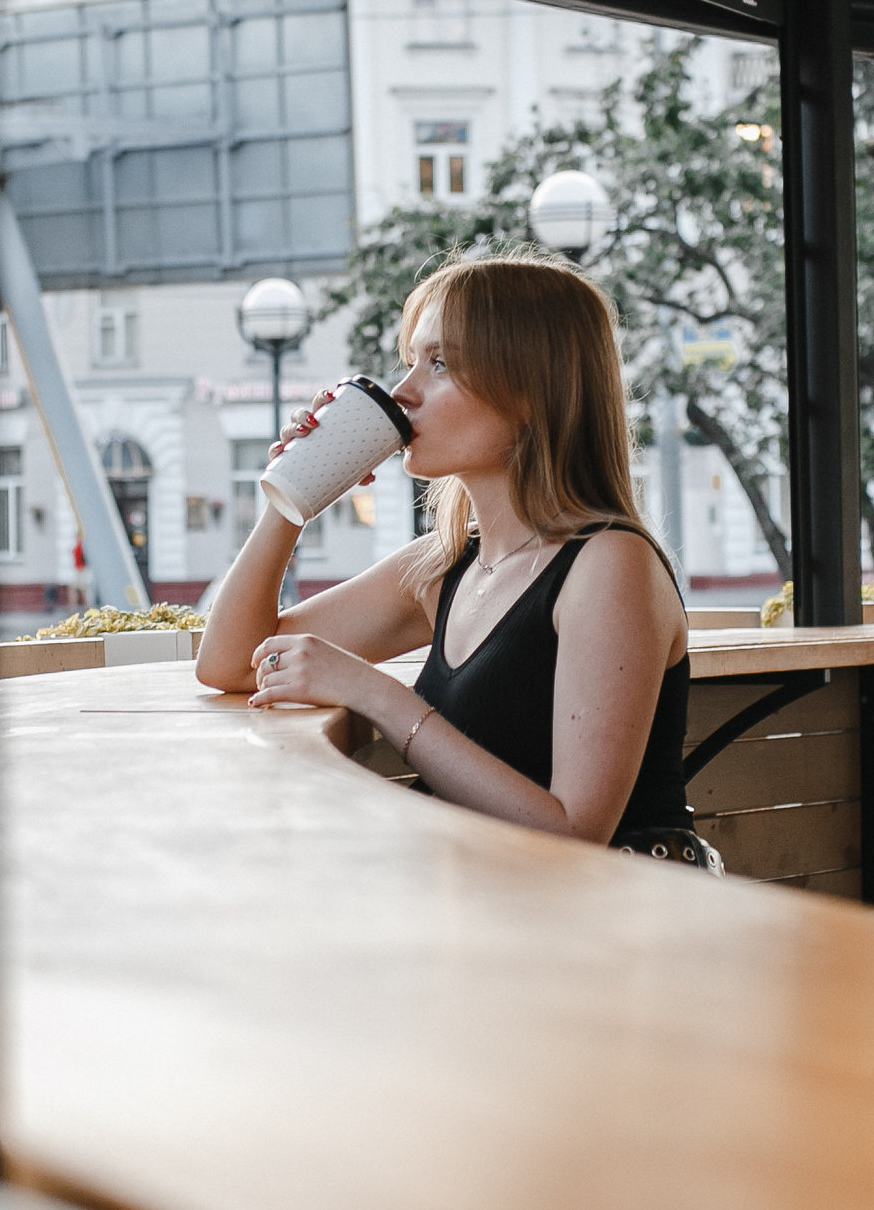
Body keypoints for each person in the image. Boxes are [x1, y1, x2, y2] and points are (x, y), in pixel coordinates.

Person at [195, 249, 708, 862]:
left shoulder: (609, 564)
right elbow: (229, 663)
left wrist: (377, 694)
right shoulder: (448, 565)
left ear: (531, 391)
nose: (403, 392)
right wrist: (290, 495)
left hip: (607, 931)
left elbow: (574, 835)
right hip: (485, 914)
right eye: (411, 361)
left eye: (439, 364)